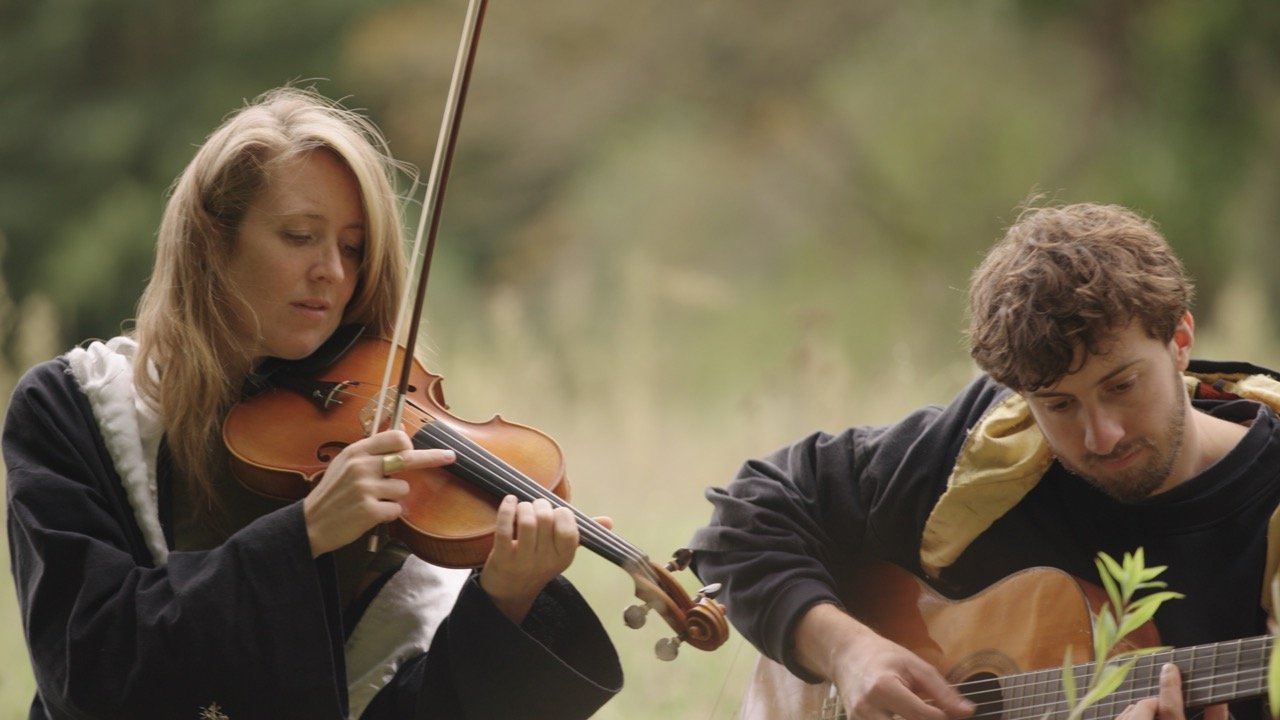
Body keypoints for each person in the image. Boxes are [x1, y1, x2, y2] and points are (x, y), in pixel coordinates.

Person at [4, 86, 622, 719]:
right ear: (212, 244)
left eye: (353, 248)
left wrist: (503, 604)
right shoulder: (72, 409)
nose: (331, 270)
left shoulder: (389, 452)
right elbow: (88, 673)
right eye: (300, 235)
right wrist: (301, 537)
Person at [688, 201, 1280, 720]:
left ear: (1179, 342)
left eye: (1122, 386)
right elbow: (745, 517)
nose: (1101, 435)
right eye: (1059, 404)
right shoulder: (991, 453)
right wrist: (846, 651)